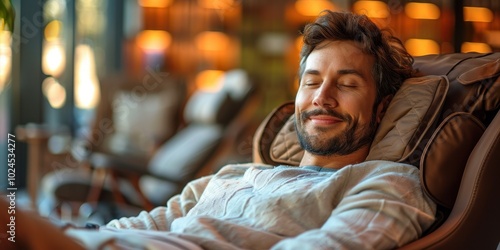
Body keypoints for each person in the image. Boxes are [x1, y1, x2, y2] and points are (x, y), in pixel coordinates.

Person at [1, 10, 436, 249]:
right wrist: (79, 236)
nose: (322, 96)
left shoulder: (387, 183)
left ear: (380, 110)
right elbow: (157, 218)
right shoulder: (236, 174)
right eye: (311, 81)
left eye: (346, 83)